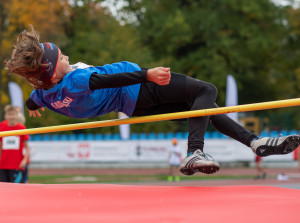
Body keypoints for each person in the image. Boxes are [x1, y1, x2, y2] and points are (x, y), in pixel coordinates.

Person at [4, 25, 300, 176]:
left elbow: (32, 101)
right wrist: (147, 74)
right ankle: (194, 152)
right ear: (53, 70)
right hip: (138, 91)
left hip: (133, 108)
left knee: (205, 110)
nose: (67, 56)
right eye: (62, 57)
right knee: (205, 91)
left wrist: (34, 108)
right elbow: (110, 80)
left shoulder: (44, 93)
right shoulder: (76, 80)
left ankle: (255, 143)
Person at [0, 105, 30, 183]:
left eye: (13, 114)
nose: (11, 116)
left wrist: (24, 160)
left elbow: (27, 147)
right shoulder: (2, 127)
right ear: (5, 116)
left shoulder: (21, 128)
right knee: (4, 190)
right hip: (3, 165)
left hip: (17, 165)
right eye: (9, 114)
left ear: (16, 115)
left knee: (17, 190)